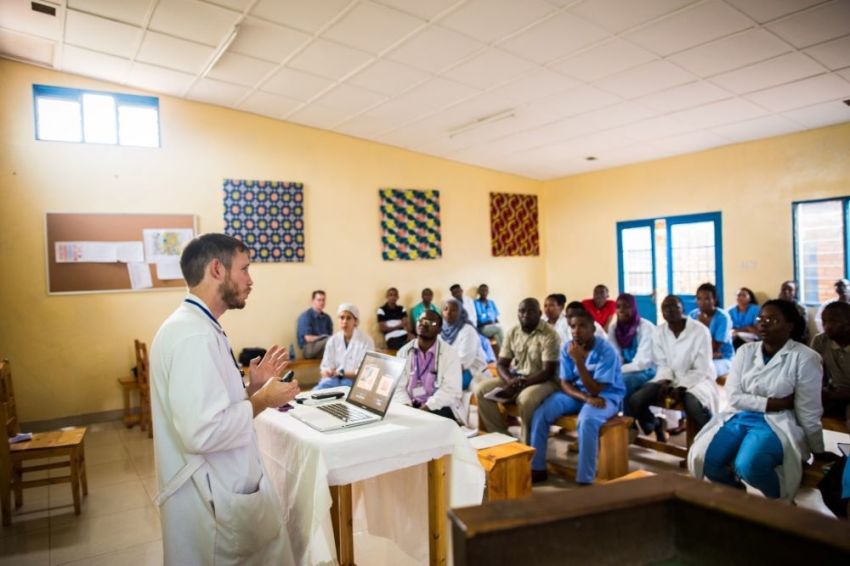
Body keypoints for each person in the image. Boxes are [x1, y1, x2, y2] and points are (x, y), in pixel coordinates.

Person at [150, 233, 300, 565]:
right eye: (244, 269)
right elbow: (202, 431)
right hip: (213, 498)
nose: (250, 280)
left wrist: (251, 390)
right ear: (217, 269)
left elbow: (208, 407)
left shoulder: (200, 327)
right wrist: (262, 400)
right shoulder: (194, 335)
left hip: (220, 488)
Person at [689, 300, 831, 500]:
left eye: (772, 319)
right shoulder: (745, 351)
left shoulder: (805, 357)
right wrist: (774, 402)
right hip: (740, 417)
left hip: (777, 421)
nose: (763, 323)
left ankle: (780, 504)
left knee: (749, 466)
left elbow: (809, 409)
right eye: (761, 318)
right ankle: (739, 500)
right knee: (707, 460)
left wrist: (817, 448)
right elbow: (734, 396)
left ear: (790, 325)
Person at [529, 309, 625, 485]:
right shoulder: (568, 348)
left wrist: (579, 362)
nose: (576, 330)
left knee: (587, 420)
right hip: (579, 395)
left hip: (606, 396)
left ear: (593, 329)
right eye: (573, 326)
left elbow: (595, 389)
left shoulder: (606, 351)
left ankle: (585, 478)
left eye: (582, 326)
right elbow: (565, 383)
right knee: (542, 412)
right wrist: (584, 398)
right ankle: (537, 468)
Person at [629, 295, 718, 442]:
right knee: (636, 400)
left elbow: (701, 368)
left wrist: (682, 387)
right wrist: (665, 381)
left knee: (693, 404)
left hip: (698, 379)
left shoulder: (700, 331)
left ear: (682, 308)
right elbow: (662, 363)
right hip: (669, 377)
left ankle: (712, 439)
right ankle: (656, 423)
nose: (669, 311)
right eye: (665, 308)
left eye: (674, 307)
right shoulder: (659, 332)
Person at [474, 298, 560, 444]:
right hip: (517, 378)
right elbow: (501, 364)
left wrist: (520, 383)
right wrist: (511, 381)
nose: (525, 314)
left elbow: (548, 371)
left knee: (526, 399)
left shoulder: (550, 334)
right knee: (481, 390)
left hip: (543, 381)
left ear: (539, 313)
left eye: (531, 311)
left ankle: (527, 446)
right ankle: (502, 439)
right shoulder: (513, 331)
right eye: (522, 311)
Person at [395, 310, 465, 423]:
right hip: (410, 406)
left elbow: (451, 390)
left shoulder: (450, 354)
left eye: (430, 322)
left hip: (438, 407)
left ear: (439, 329)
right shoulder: (403, 352)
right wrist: (407, 407)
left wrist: (425, 409)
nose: (423, 324)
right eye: (420, 320)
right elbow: (398, 386)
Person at [607, 293, 656, 403]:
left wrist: (618, 371)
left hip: (647, 370)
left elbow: (643, 363)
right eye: (618, 307)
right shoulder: (614, 328)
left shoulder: (646, 328)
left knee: (623, 381)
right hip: (625, 370)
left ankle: (627, 418)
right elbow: (615, 356)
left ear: (634, 308)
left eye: (627, 306)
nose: (621, 310)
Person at [810, 301, 850, 432]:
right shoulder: (821, 341)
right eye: (824, 321)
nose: (827, 326)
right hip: (835, 392)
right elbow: (811, 372)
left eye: (833, 322)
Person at [316, 303, 375, 390]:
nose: (344, 321)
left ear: (355, 321)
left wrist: (341, 373)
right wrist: (327, 371)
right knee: (317, 391)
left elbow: (366, 372)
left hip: (355, 382)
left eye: (348, 318)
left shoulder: (366, 341)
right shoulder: (333, 340)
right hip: (333, 380)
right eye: (342, 317)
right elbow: (326, 365)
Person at [441, 298, 488, 390]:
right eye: (446, 309)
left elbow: (463, 362)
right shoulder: (442, 331)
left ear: (461, 312)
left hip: (471, 370)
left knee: (443, 388)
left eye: (454, 310)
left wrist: (441, 375)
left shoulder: (468, 331)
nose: (449, 313)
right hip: (450, 369)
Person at [689, 282, 734, 376]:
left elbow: (714, 347)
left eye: (707, 299)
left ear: (714, 299)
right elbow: (688, 341)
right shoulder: (693, 315)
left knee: (707, 370)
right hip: (698, 356)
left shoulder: (722, 317)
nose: (702, 302)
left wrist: (702, 324)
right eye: (699, 299)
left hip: (722, 358)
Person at [296, 290, 333, 359]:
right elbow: (308, 338)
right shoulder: (306, 316)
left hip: (323, 349)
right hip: (308, 349)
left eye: (323, 300)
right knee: (329, 340)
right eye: (319, 300)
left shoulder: (327, 318)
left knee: (338, 341)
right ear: (313, 301)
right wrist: (323, 338)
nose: (322, 302)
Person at [474, 283, 504, 349]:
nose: (484, 292)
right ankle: (506, 354)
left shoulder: (491, 302)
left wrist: (497, 324)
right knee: (499, 330)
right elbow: (479, 320)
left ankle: (502, 354)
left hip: (493, 327)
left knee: (498, 332)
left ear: (488, 292)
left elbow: (495, 317)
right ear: (479, 292)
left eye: (486, 290)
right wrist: (490, 322)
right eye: (482, 290)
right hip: (482, 328)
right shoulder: (476, 303)